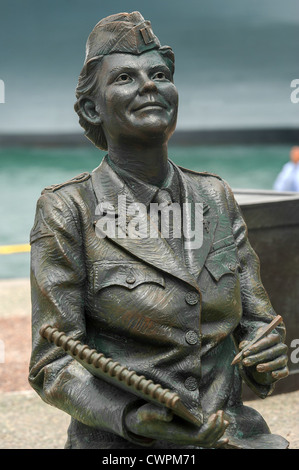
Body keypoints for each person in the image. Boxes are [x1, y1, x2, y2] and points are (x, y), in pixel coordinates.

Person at [29, 12, 289, 449]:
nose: (149, 85)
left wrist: (267, 355)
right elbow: (51, 362)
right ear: (93, 108)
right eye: (126, 77)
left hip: (232, 434)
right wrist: (131, 418)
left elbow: (260, 323)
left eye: (160, 74)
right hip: (123, 444)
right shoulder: (67, 208)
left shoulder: (215, 195)